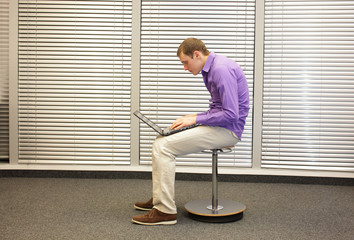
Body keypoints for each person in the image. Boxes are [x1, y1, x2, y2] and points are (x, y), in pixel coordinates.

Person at [132, 38, 249, 225]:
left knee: (163, 147)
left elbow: (231, 114)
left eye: (185, 62)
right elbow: (219, 108)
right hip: (219, 126)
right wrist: (193, 116)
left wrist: (196, 119)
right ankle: (159, 198)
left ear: (197, 54)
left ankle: (165, 211)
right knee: (161, 138)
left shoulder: (220, 69)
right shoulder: (212, 68)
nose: (185, 68)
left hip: (228, 131)